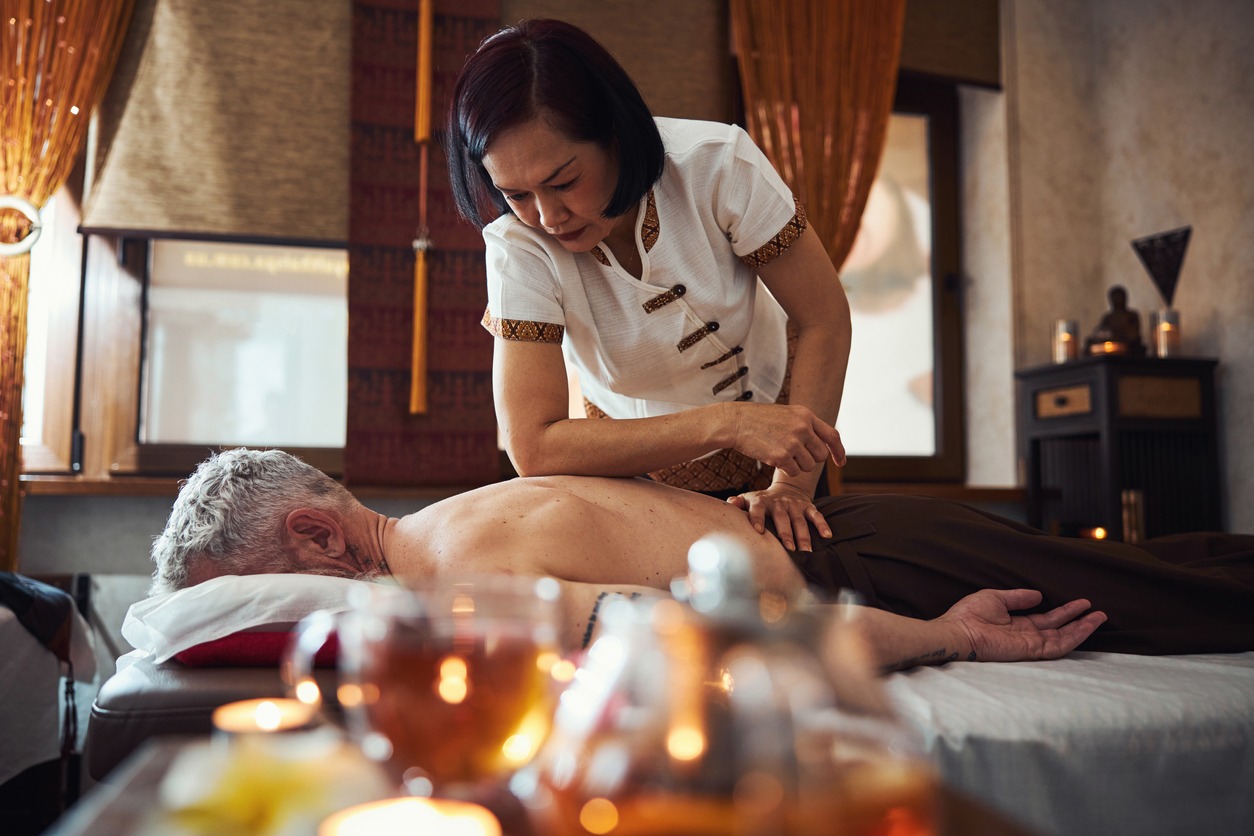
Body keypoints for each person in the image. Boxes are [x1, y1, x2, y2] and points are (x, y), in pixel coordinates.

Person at [152, 450, 1254, 667]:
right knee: (1182, 572)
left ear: (314, 536)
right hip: (857, 541)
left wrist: (949, 634)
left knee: (1192, 598)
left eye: (278, 584)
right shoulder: (450, 521)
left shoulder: (452, 577)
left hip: (872, 571)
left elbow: (724, 629)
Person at [445, 19, 852, 553]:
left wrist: (794, 487)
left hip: (786, 414)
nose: (547, 217)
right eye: (516, 194)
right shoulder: (517, 245)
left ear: (616, 136)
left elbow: (823, 317)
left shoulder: (715, 163)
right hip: (632, 466)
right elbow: (534, 446)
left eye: (564, 182)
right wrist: (726, 423)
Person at [1087, 284, 1145, 354]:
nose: (1117, 300)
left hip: (1125, 343)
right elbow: (1101, 331)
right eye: (1114, 298)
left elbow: (1133, 335)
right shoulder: (1108, 317)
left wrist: (1116, 333)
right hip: (1110, 342)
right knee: (1089, 342)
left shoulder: (1132, 315)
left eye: (1119, 298)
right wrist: (1100, 333)